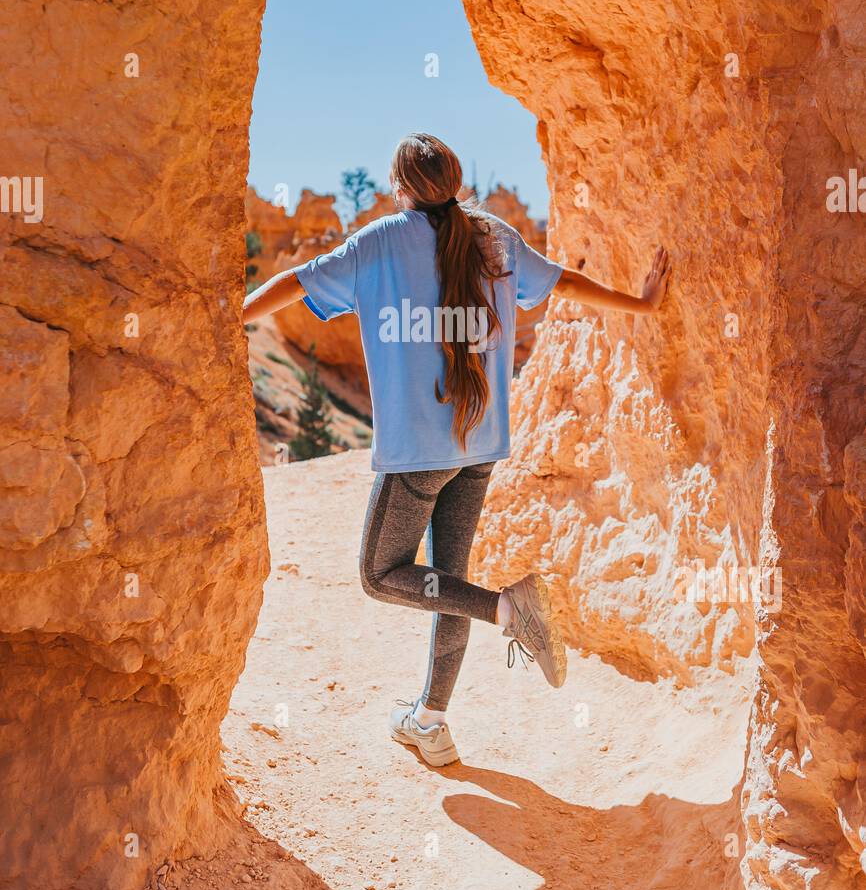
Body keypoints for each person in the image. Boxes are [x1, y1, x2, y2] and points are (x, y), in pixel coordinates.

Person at [243, 134, 670, 766]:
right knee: (446, 578)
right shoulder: (495, 236)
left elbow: (294, 280)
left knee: (381, 575)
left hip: (421, 451)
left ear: (400, 186)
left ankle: (508, 608)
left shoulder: (380, 242)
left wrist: (229, 316)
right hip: (481, 446)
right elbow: (564, 281)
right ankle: (432, 721)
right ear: (456, 180)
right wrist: (639, 302)